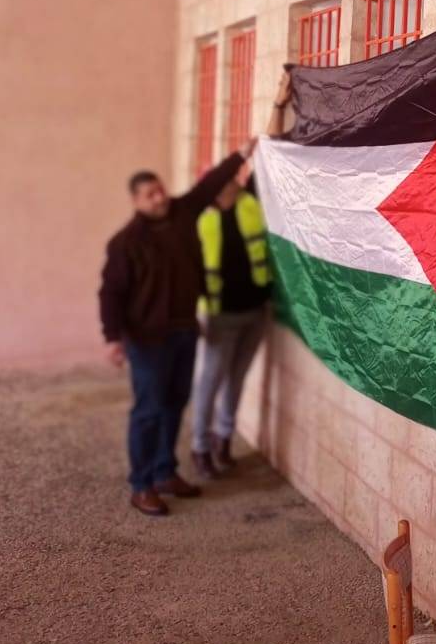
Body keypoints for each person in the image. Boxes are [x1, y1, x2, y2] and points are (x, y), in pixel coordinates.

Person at [99, 145, 255, 516]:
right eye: (150, 194)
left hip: (184, 331)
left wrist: (242, 155)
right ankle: (142, 485)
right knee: (149, 411)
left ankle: (165, 472)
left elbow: (211, 184)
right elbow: (111, 293)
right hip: (147, 339)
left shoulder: (184, 212)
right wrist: (112, 338)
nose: (159, 198)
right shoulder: (125, 243)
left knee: (174, 404)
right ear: (136, 201)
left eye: (160, 190)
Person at [190, 73, 292, 477]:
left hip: (254, 312)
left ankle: (223, 439)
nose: (232, 179)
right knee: (210, 381)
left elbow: (268, 151)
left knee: (235, 380)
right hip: (220, 317)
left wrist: (279, 104)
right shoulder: (201, 220)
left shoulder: (249, 200)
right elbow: (189, 272)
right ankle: (200, 447)